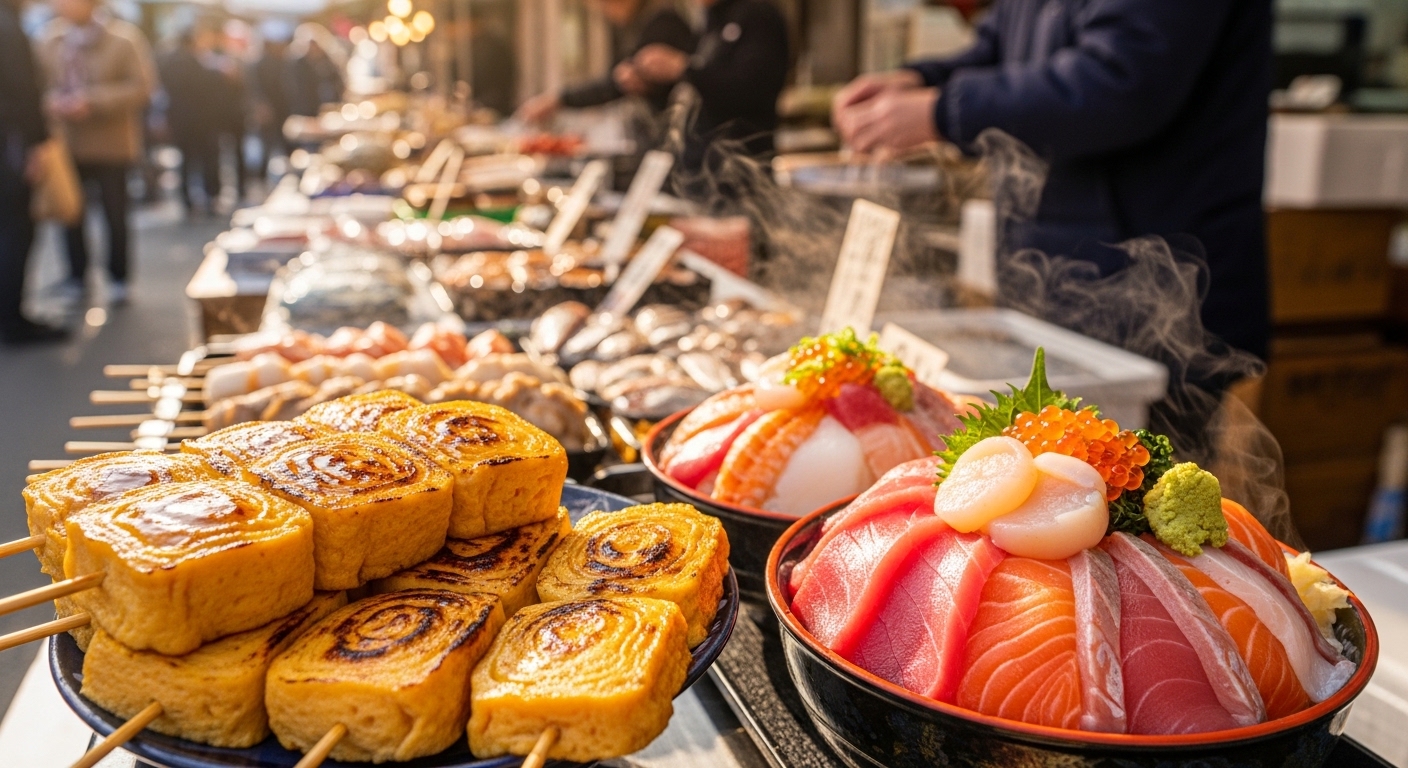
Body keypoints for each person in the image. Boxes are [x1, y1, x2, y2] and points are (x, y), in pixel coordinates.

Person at [830, 0, 1273, 370]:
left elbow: (1120, 83)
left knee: (1147, 466)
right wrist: (920, 80)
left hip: (1159, 296)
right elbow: (999, 48)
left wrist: (941, 111)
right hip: (1061, 289)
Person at [36, 0, 154, 304]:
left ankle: (119, 278)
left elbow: (141, 86)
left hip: (111, 144)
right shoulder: (49, 40)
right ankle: (77, 276)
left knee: (115, 213)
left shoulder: (123, 39)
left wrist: (93, 101)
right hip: (68, 145)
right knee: (70, 212)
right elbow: (39, 86)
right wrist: (54, 103)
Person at [631, 0, 789, 170]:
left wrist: (683, 67)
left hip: (740, 163)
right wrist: (651, 82)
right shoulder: (712, 20)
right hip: (700, 165)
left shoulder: (758, 15)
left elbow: (751, 89)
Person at [0, 0, 67, 343]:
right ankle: (11, 317)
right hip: (10, 144)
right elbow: (25, 94)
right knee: (16, 231)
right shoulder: (10, 29)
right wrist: (36, 144)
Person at [516, 0, 694, 123]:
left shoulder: (661, 21)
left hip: (677, 131)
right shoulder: (640, 22)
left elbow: (615, 84)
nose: (602, 9)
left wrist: (559, 99)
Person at [158, 28, 224, 214]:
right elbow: (208, 87)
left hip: (181, 119)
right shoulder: (198, 62)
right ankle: (210, 196)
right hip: (202, 120)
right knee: (207, 159)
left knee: (187, 160)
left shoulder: (169, 62)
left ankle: (187, 200)